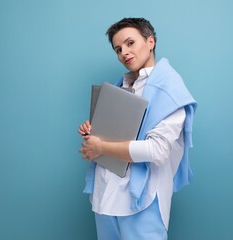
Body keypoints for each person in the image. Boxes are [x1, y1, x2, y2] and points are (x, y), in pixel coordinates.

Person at [78, 17, 197, 240]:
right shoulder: (120, 86)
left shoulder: (170, 88)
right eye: (118, 49)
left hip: (142, 201)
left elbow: (157, 151)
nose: (124, 52)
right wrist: (94, 132)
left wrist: (101, 147)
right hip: (105, 197)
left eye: (130, 43)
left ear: (150, 41)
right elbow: (116, 134)